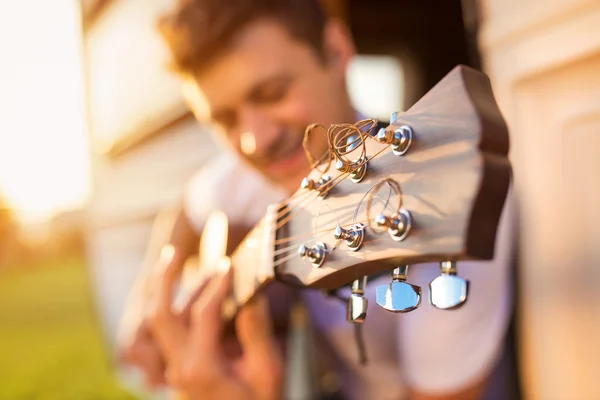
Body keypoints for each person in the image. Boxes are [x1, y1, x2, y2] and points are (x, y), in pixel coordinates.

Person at [120, 0, 516, 399]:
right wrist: (148, 303)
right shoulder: (244, 176)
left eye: (273, 92)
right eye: (225, 120)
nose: (254, 141)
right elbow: (186, 212)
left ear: (336, 50)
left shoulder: (447, 214)